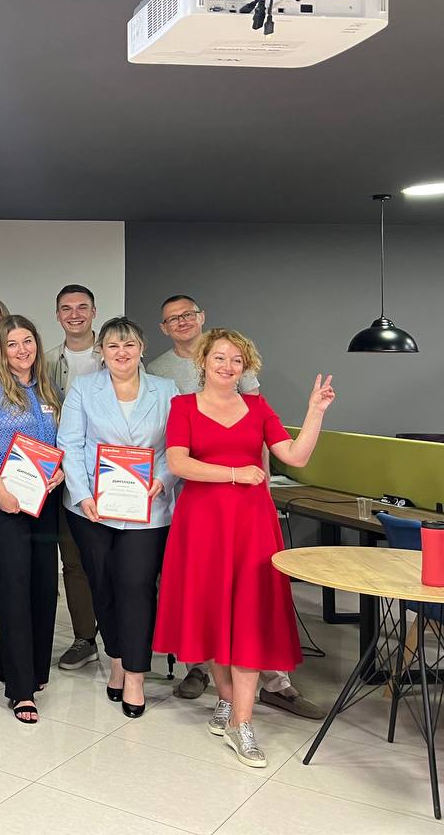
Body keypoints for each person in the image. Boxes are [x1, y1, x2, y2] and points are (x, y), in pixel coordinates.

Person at [153, 328, 335, 767]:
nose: (228, 366)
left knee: (249, 615)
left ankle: (242, 722)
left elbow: (295, 455)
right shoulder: (183, 406)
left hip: (252, 525)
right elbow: (179, 463)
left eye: (236, 360)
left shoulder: (257, 407)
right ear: (203, 361)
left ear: (245, 366)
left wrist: (315, 412)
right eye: (220, 357)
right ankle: (227, 699)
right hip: (203, 525)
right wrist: (234, 473)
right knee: (214, 614)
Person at [57, 317, 178, 718]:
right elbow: (69, 443)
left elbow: (176, 446)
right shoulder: (84, 388)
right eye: (112, 346)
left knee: (137, 586)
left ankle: (136, 675)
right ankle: (117, 660)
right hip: (93, 507)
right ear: (101, 352)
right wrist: (82, 493)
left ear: (142, 348)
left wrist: (163, 478)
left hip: (148, 508)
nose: (121, 353)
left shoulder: (166, 390)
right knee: (103, 585)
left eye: (129, 345)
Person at [0, 314, 65, 724]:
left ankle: (26, 669)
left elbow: (57, 439)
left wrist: (60, 472)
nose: (22, 350)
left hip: (42, 496)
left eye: (28, 341)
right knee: (14, 582)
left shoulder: (46, 385)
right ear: (0, 350)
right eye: (12, 344)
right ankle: (21, 691)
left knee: (43, 582)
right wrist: (2, 493)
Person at [47, 284, 102, 673]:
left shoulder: (115, 353)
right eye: (66, 308)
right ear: (58, 316)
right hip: (64, 474)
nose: (75, 314)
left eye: (82, 307)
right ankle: (85, 638)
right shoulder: (47, 361)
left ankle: (126, 638)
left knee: (118, 561)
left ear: (94, 311)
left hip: (113, 475)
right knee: (74, 560)